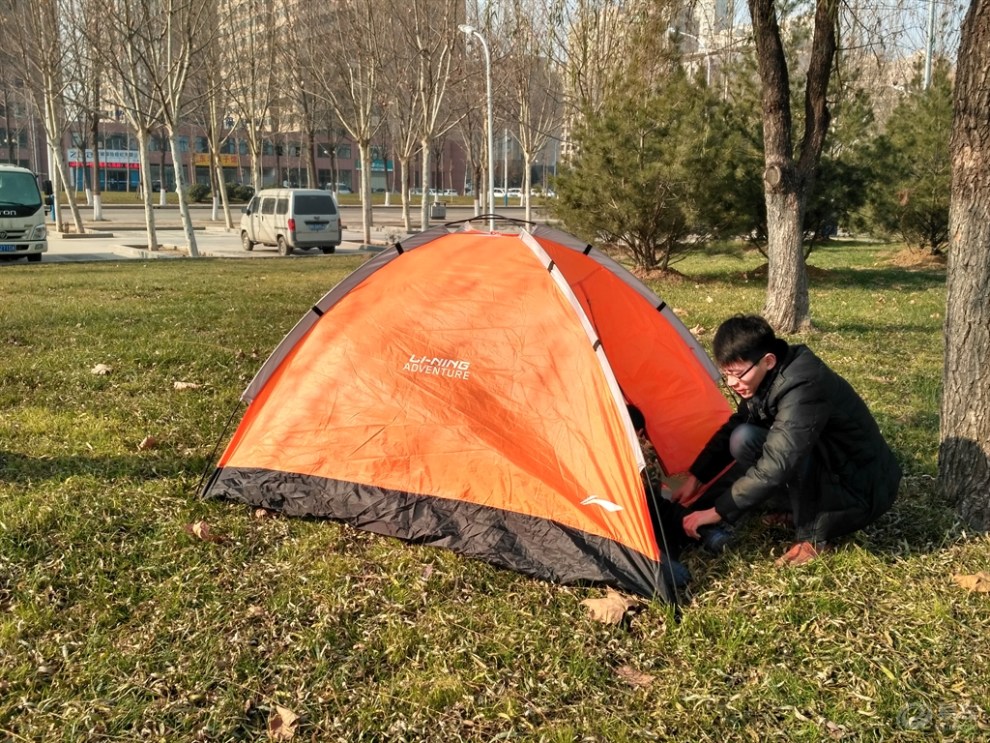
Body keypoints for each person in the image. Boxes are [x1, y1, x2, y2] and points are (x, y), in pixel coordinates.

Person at [673, 314, 901, 566]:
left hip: (861, 490)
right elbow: (738, 425)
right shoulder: (765, 377)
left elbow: (779, 462)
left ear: (768, 361)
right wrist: (696, 477)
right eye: (726, 374)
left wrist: (718, 511)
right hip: (830, 466)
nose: (731, 383)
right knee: (743, 437)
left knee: (784, 455)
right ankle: (794, 508)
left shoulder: (803, 385)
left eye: (737, 374)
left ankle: (813, 538)